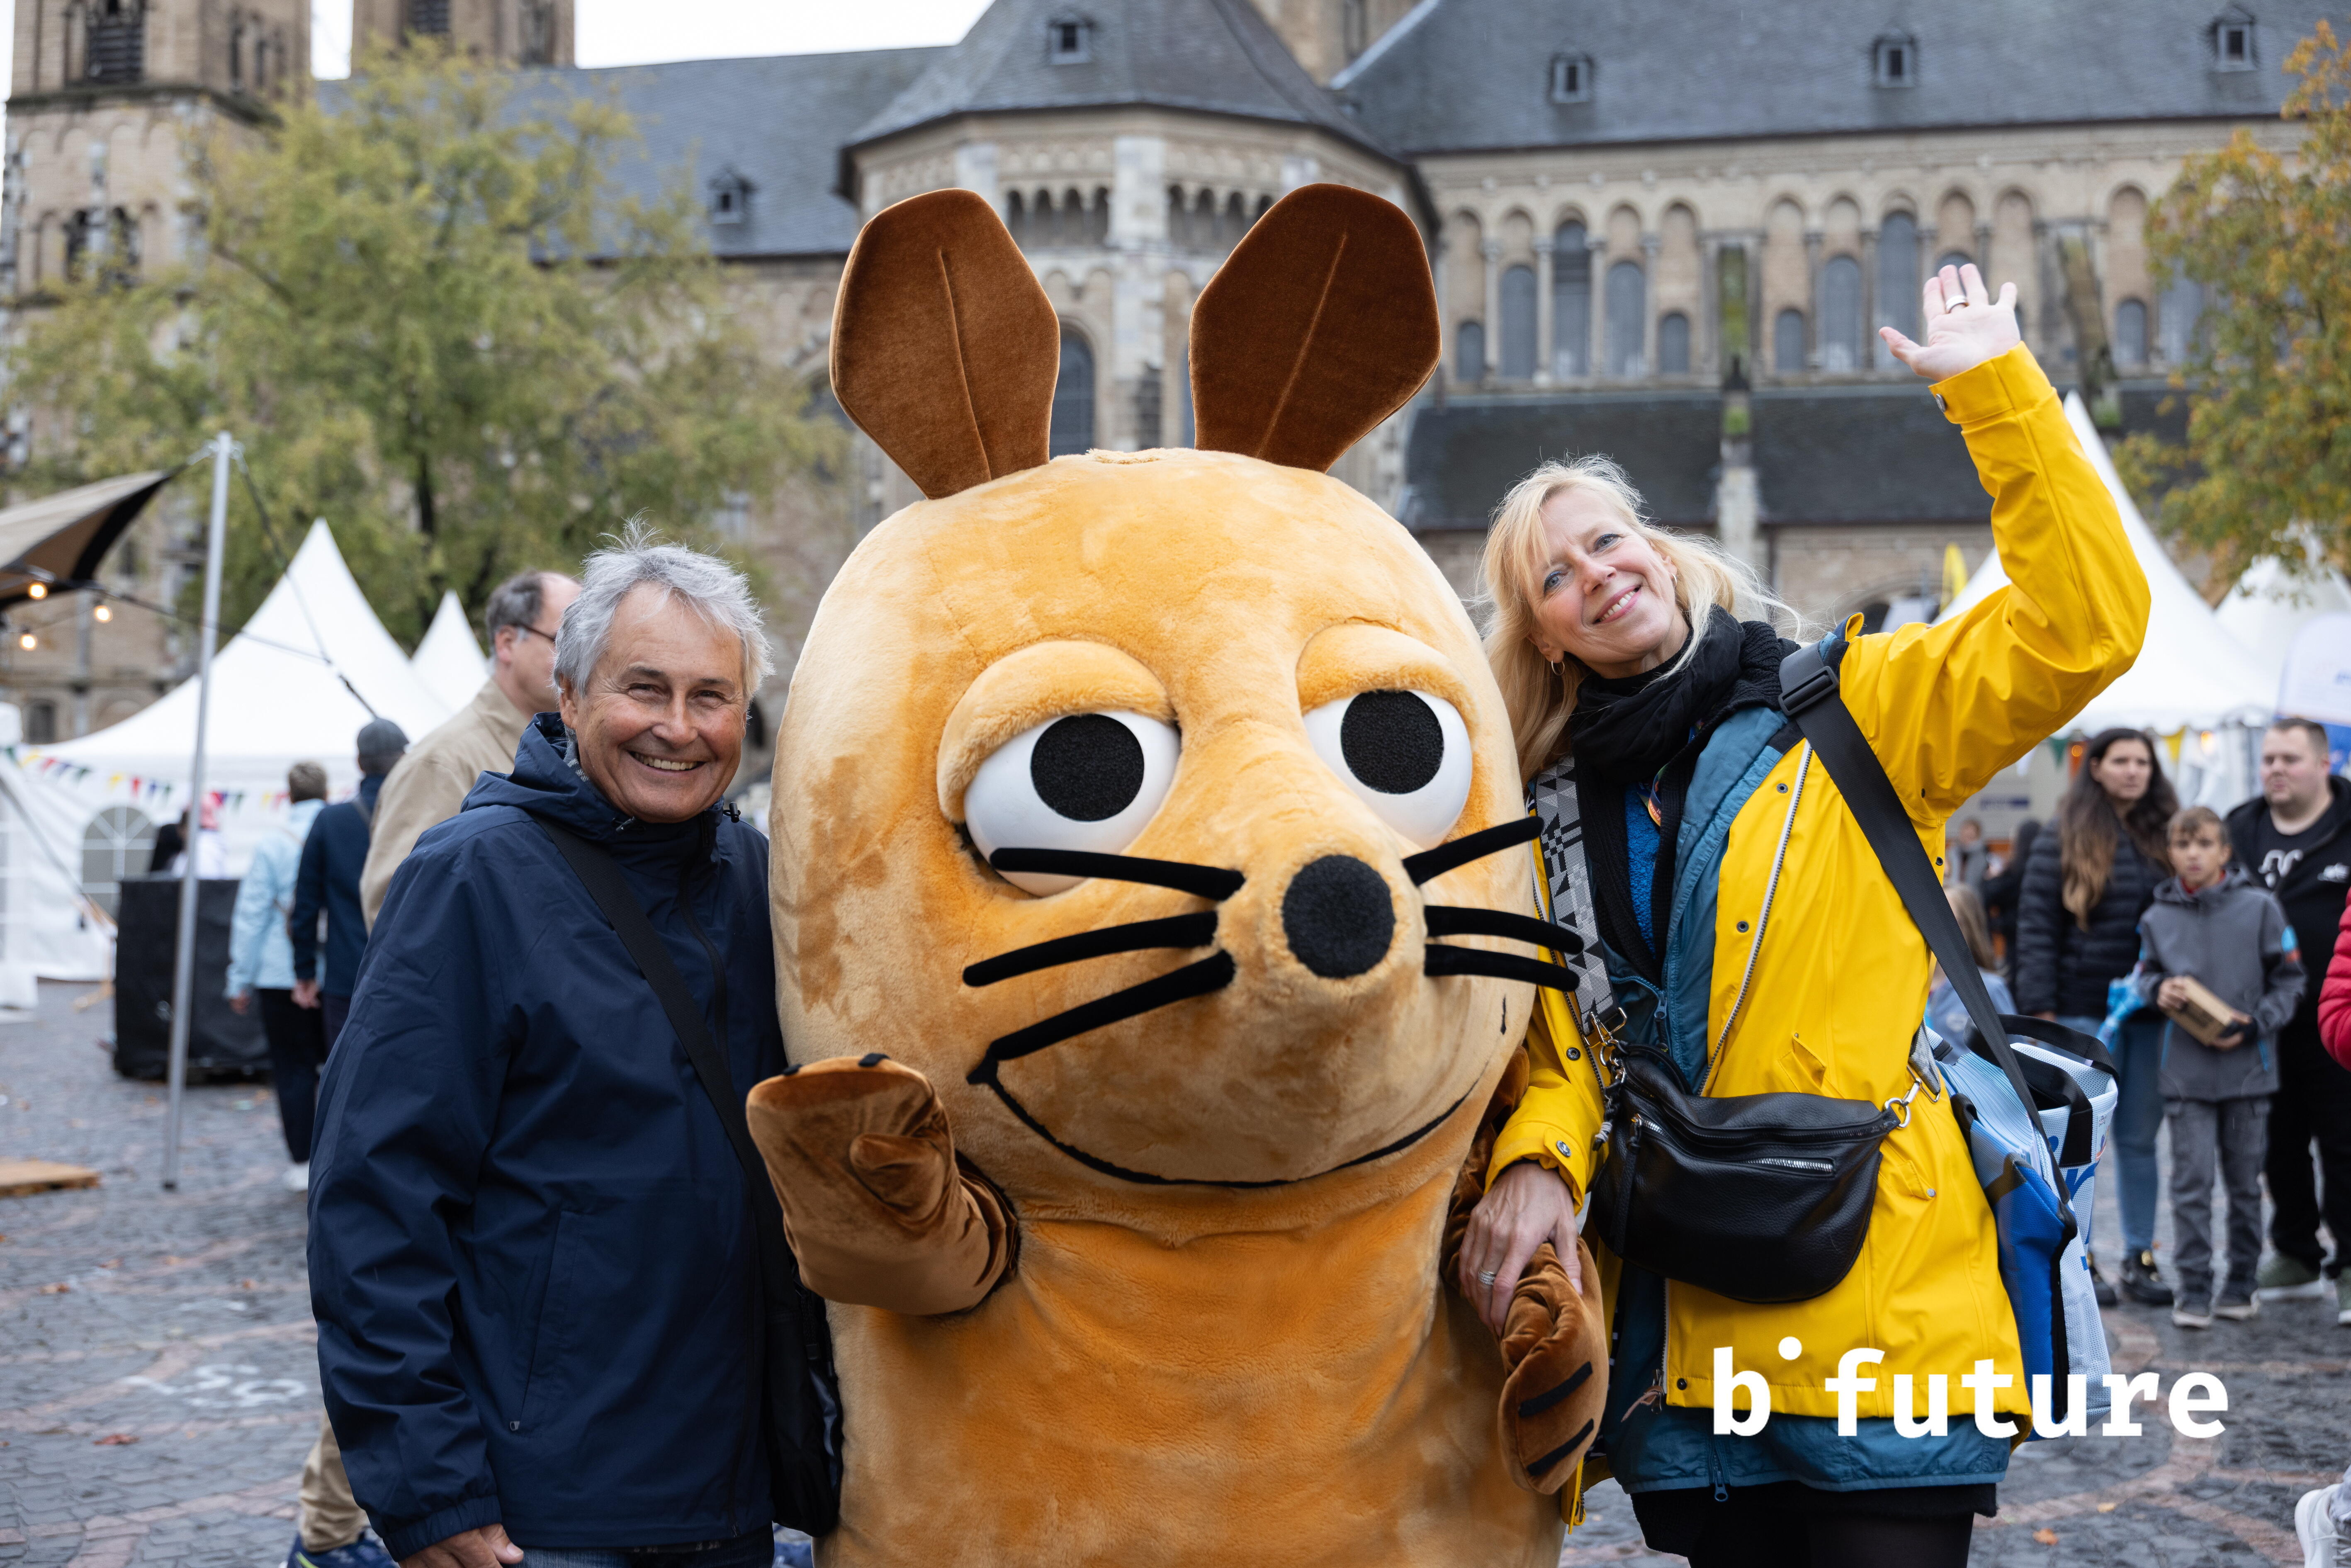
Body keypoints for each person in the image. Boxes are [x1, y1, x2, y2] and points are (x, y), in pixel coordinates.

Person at [1458, 265, 2147, 1568]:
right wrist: (1536, 1160)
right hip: (1685, 1324)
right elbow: (1562, 1053)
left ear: (1659, 550)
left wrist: (1996, 393)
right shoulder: (1540, 814)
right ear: (1540, 633)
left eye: (1608, 538)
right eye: (1553, 574)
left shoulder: (1855, 704)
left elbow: (2082, 626)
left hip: (1877, 1283)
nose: (1595, 572)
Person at [310, 532, 793, 1568]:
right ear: (568, 698)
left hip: (729, 1486)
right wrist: (427, 1484)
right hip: (547, 1505)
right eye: (644, 689)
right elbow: (374, 1193)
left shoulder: (758, 878)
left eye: (710, 696)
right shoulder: (472, 878)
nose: (678, 727)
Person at [2015, 727, 2177, 1306]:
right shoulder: (2064, 830)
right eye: (2121, 760)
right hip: (2079, 1012)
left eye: (2143, 762)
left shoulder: (2168, 833)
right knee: (2079, 1143)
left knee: (2138, 1137)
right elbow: (2036, 923)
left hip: (2151, 1011)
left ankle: (2140, 1256)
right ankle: (2079, 1256)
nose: (2133, 771)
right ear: (2097, 767)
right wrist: (2041, 1011)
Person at [2133, 805, 2304, 1327]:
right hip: (2183, 1076)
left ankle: (2240, 1283)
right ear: (2169, 852)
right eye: (2182, 845)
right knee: (2190, 1184)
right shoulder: (2155, 917)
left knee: (2244, 1184)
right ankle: (2193, 1288)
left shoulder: (2261, 908)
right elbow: (2142, 975)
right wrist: (2156, 989)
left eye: (2204, 844)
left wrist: (2256, 1025)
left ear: (2224, 851)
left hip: (2247, 1074)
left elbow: (2291, 980)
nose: (2193, 854)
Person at [359, 569, 581, 929]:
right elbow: (397, 915)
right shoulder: (442, 763)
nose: (582, 658)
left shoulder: (572, 750)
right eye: (566, 641)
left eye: (589, 644)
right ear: (507, 643)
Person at [2226, 717, 2351, 1319]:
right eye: (2268, 758)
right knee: (2277, 1145)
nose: (2275, 768)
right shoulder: (2238, 829)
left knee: (2344, 1143)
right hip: (2261, 1021)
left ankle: (2349, 1263)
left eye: (2290, 759)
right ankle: (2296, 1254)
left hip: (2335, 1021)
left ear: (2324, 764)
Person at [227, 761, 331, 1194]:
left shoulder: (272, 843)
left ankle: (302, 1161)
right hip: (337, 968)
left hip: (278, 970)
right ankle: (337, 1156)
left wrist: (239, 977)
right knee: (343, 1067)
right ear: (326, 793)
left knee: (293, 1069)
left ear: (288, 795)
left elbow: (251, 913)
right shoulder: (342, 831)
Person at [290, 720, 408, 1047]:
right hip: (411, 975)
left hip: (346, 975)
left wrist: (305, 971)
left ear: (359, 763)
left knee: (346, 1070)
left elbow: (305, 905)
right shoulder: (423, 817)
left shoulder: (330, 820)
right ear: (404, 759)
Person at [1927, 884, 2014, 1045]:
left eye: (1947, 920)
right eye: (1930, 919)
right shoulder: (1908, 985)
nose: (1935, 928)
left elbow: (2015, 1050)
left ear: (1969, 927)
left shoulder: (1989, 989)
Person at [1979, 817, 2039, 985]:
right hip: (2038, 937)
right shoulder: (2045, 868)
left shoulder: (2014, 871)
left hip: (2014, 937)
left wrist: (1990, 879)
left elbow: (1989, 895)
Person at [1946, 817, 1988, 889]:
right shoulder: (1952, 852)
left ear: (1977, 836)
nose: (1967, 840)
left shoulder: (1985, 855)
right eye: (1965, 835)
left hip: (1974, 892)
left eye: (1971, 837)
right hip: (1953, 891)